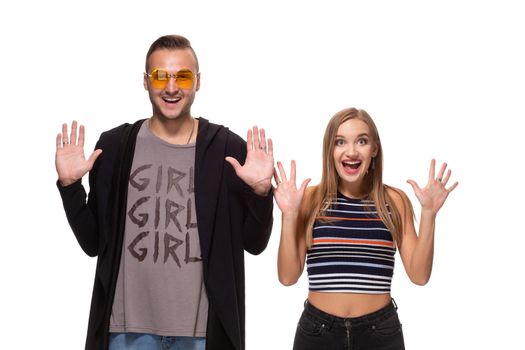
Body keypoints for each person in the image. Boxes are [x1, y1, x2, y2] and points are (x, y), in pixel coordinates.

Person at [55, 35, 274, 350]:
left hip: (202, 335)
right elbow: (93, 244)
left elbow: (254, 244)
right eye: (161, 76)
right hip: (125, 332)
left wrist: (261, 193)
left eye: (182, 76)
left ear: (198, 82)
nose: (172, 88)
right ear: (146, 82)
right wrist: (70, 187)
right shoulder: (115, 147)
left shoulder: (228, 149)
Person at [273, 107, 458, 350]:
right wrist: (289, 216)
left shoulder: (394, 201)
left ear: (374, 149)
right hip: (318, 332)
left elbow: (419, 275)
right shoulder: (309, 200)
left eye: (362, 141)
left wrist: (428, 214)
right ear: (330, 150)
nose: (351, 151)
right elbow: (287, 277)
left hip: (379, 333)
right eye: (340, 142)